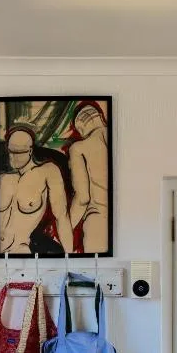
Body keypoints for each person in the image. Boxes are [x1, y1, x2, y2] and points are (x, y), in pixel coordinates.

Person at [0, 127, 73, 255]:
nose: (13, 157)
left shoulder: (47, 171)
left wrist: (70, 258)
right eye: (10, 151)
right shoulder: (4, 179)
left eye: (19, 152)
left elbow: (61, 217)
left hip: (20, 249)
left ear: (30, 151)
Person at [68, 104, 108, 253]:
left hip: (98, 221)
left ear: (80, 125)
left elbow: (82, 198)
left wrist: (65, 229)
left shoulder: (79, 148)